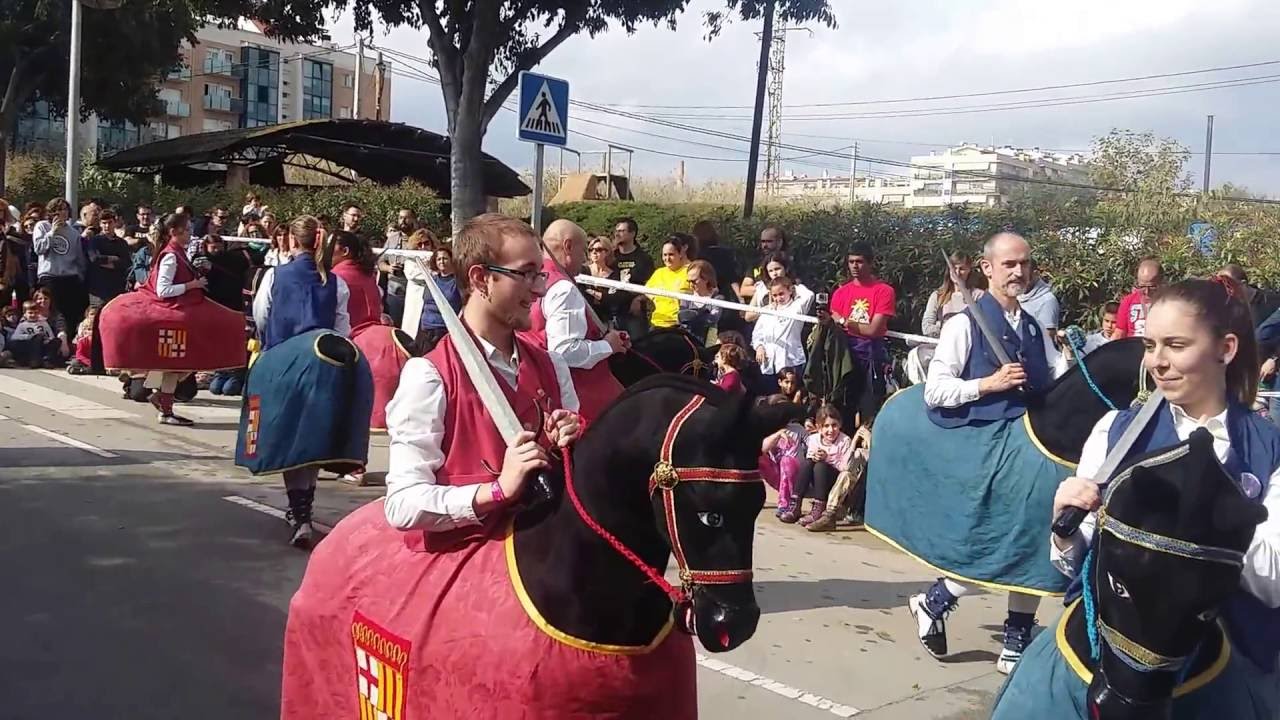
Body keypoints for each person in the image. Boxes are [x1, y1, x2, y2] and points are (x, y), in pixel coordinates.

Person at [1050, 276, 1280, 693]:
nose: (1156, 361)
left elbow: (1273, 579)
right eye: (1149, 345)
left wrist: (1206, 532)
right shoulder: (1114, 431)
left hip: (1225, 661)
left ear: (1226, 349)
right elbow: (1074, 563)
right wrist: (1063, 533)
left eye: (1175, 345)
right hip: (1110, 652)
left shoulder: (1269, 447)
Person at [383, 213, 582, 538]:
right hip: (463, 557)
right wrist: (497, 491)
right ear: (480, 279)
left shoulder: (552, 366)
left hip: (544, 554)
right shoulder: (430, 375)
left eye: (540, 275)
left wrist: (571, 441)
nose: (539, 290)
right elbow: (402, 504)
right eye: (527, 274)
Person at [913, 231, 1051, 674]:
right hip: (985, 447)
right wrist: (987, 384)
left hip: (1031, 450)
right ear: (987, 268)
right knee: (993, 539)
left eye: (1024, 263)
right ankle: (935, 601)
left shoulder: (1032, 326)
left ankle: (1016, 636)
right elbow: (935, 390)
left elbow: (1056, 382)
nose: (1019, 271)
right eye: (1009, 264)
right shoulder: (963, 323)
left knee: (1034, 540)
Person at [245, 215, 358, 546]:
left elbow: (262, 318)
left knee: (288, 439)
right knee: (311, 438)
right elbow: (343, 332)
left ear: (292, 242)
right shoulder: (336, 283)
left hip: (282, 363)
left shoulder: (272, 277)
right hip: (322, 365)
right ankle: (304, 508)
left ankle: (301, 513)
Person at [99, 212, 246, 425]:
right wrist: (192, 285)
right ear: (173, 232)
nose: (190, 233)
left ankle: (164, 405)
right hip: (173, 316)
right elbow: (163, 290)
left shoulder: (178, 253)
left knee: (176, 366)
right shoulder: (170, 256)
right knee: (180, 363)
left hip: (178, 314)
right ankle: (159, 397)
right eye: (186, 230)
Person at [523, 219, 628, 423]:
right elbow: (565, 351)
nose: (585, 259)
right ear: (568, 246)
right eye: (583, 250)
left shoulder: (531, 278)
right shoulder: (563, 289)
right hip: (580, 400)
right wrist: (608, 345)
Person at [829, 242, 896, 426]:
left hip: (871, 359)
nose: (854, 266)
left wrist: (844, 322)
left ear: (870, 263)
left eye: (859, 261)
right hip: (845, 359)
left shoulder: (884, 291)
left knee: (870, 415)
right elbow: (833, 322)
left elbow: (874, 330)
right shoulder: (841, 293)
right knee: (843, 413)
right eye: (851, 261)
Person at [779, 404, 854, 527]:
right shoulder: (814, 439)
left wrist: (827, 458)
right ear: (819, 427)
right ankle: (795, 505)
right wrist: (814, 457)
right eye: (826, 426)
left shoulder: (845, 441)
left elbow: (845, 469)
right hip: (817, 481)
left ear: (840, 425)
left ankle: (819, 508)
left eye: (834, 425)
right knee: (809, 462)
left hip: (834, 483)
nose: (830, 430)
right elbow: (810, 460)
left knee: (821, 465)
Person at [32, 198, 89, 336]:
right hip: (50, 276)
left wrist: (81, 276)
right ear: (51, 213)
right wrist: (52, 232)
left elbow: (79, 257)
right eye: (57, 210)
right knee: (51, 312)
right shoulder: (42, 226)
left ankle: (67, 344)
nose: (61, 213)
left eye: (64, 209)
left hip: (69, 277)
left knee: (70, 313)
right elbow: (39, 248)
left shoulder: (73, 232)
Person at [752, 276, 816, 392]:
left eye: (781, 293)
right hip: (769, 363)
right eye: (775, 295)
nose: (778, 298)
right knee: (771, 398)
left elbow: (809, 295)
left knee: (793, 397)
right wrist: (759, 347)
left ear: (790, 291)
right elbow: (757, 334)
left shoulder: (797, 307)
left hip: (791, 361)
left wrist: (794, 285)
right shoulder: (767, 311)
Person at [328, 230, 383, 330]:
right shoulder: (368, 274)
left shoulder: (335, 278)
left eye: (330, 247)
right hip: (373, 333)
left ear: (345, 251)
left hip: (352, 337)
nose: (326, 251)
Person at [412, 245, 462, 354]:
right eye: (439, 259)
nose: (442, 262)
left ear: (451, 260)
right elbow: (425, 305)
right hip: (425, 330)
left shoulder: (457, 282)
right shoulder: (431, 281)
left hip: (444, 331)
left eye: (445, 258)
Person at [610, 217, 654, 338]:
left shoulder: (643, 258)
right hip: (612, 310)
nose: (617, 234)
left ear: (632, 233)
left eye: (622, 231)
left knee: (638, 347)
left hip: (634, 313)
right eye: (616, 231)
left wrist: (640, 299)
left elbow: (651, 285)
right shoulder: (611, 257)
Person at [636, 234, 692, 330]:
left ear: (680, 254)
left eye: (671, 255)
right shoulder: (659, 273)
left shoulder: (689, 271)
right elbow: (647, 291)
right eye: (664, 255)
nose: (667, 258)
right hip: (657, 323)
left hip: (679, 325)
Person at [1017, 261, 1062, 368]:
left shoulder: (1047, 301)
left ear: (1035, 273)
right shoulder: (1017, 295)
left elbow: (1048, 337)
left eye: (1025, 276)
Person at [86, 210, 132, 307]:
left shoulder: (121, 243)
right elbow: (94, 259)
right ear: (100, 224)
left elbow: (126, 263)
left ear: (115, 223)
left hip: (117, 288)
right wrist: (113, 258)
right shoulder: (95, 241)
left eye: (110, 222)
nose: (107, 226)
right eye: (104, 223)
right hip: (98, 290)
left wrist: (109, 263)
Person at [399, 228, 438, 337]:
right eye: (419, 244)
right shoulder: (410, 259)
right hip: (416, 298)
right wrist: (433, 272)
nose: (423, 247)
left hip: (432, 301)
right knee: (412, 330)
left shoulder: (436, 258)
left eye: (426, 243)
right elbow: (415, 275)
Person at [379, 208, 414, 325]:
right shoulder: (392, 238)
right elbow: (380, 262)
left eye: (406, 218)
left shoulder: (421, 238)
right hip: (394, 291)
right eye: (400, 217)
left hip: (414, 289)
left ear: (413, 219)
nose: (403, 221)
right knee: (395, 325)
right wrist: (389, 268)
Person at [1113, 257, 1162, 339]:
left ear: (1161, 282)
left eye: (1152, 287)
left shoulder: (1170, 302)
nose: (1147, 292)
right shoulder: (1128, 301)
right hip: (1133, 348)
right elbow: (1119, 333)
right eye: (1142, 286)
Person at [678, 259, 724, 345]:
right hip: (687, 340)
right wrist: (703, 314)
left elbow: (713, 319)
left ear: (706, 278)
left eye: (694, 281)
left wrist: (692, 316)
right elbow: (682, 317)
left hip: (708, 341)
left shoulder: (717, 298)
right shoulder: (686, 297)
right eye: (689, 281)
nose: (691, 284)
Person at [740, 225, 789, 304]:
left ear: (780, 242)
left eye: (769, 241)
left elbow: (793, 288)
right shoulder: (755, 264)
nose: (765, 245)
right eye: (763, 241)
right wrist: (765, 290)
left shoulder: (788, 263)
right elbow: (743, 290)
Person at [582, 236, 620, 326]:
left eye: (598, 249)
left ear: (607, 252)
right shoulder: (583, 270)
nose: (594, 252)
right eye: (591, 249)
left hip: (605, 319)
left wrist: (594, 293)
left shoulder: (614, 275)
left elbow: (615, 299)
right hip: (584, 317)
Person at [7, 300, 56, 368]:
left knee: (56, 341)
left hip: (44, 343)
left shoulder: (44, 323)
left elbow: (51, 335)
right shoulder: (22, 325)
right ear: (25, 314)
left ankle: (47, 360)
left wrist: (49, 339)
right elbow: (15, 337)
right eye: (30, 313)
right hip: (31, 345)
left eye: (36, 313)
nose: (33, 315)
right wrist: (29, 336)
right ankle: (34, 360)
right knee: (37, 337)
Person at [67, 306, 97, 374]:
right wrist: (88, 362)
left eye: (93, 330)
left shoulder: (99, 341)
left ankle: (82, 371)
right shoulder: (82, 341)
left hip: (95, 362)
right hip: (85, 361)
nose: (91, 332)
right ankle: (79, 369)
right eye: (89, 329)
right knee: (75, 362)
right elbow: (79, 355)